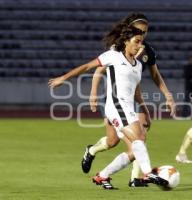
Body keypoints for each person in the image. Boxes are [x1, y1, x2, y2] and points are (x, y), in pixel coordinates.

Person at [49, 25, 169, 189]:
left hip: (128, 108)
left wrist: (145, 109)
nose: (140, 46)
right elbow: (87, 67)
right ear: (126, 41)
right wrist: (63, 78)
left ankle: (102, 176)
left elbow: (136, 91)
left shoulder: (138, 66)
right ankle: (148, 173)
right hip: (116, 106)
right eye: (137, 41)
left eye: (141, 42)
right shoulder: (113, 56)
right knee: (139, 138)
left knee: (135, 151)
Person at [82, 13, 175, 187]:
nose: (142, 34)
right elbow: (98, 70)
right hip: (113, 98)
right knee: (112, 141)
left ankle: (135, 178)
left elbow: (154, 75)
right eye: (139, 30)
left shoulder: (147, 51)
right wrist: (93, 93)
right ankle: (92, 150)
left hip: (133, 97)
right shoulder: (118, 48)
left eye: (145, 31)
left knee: (139, 138)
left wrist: (167, 96)